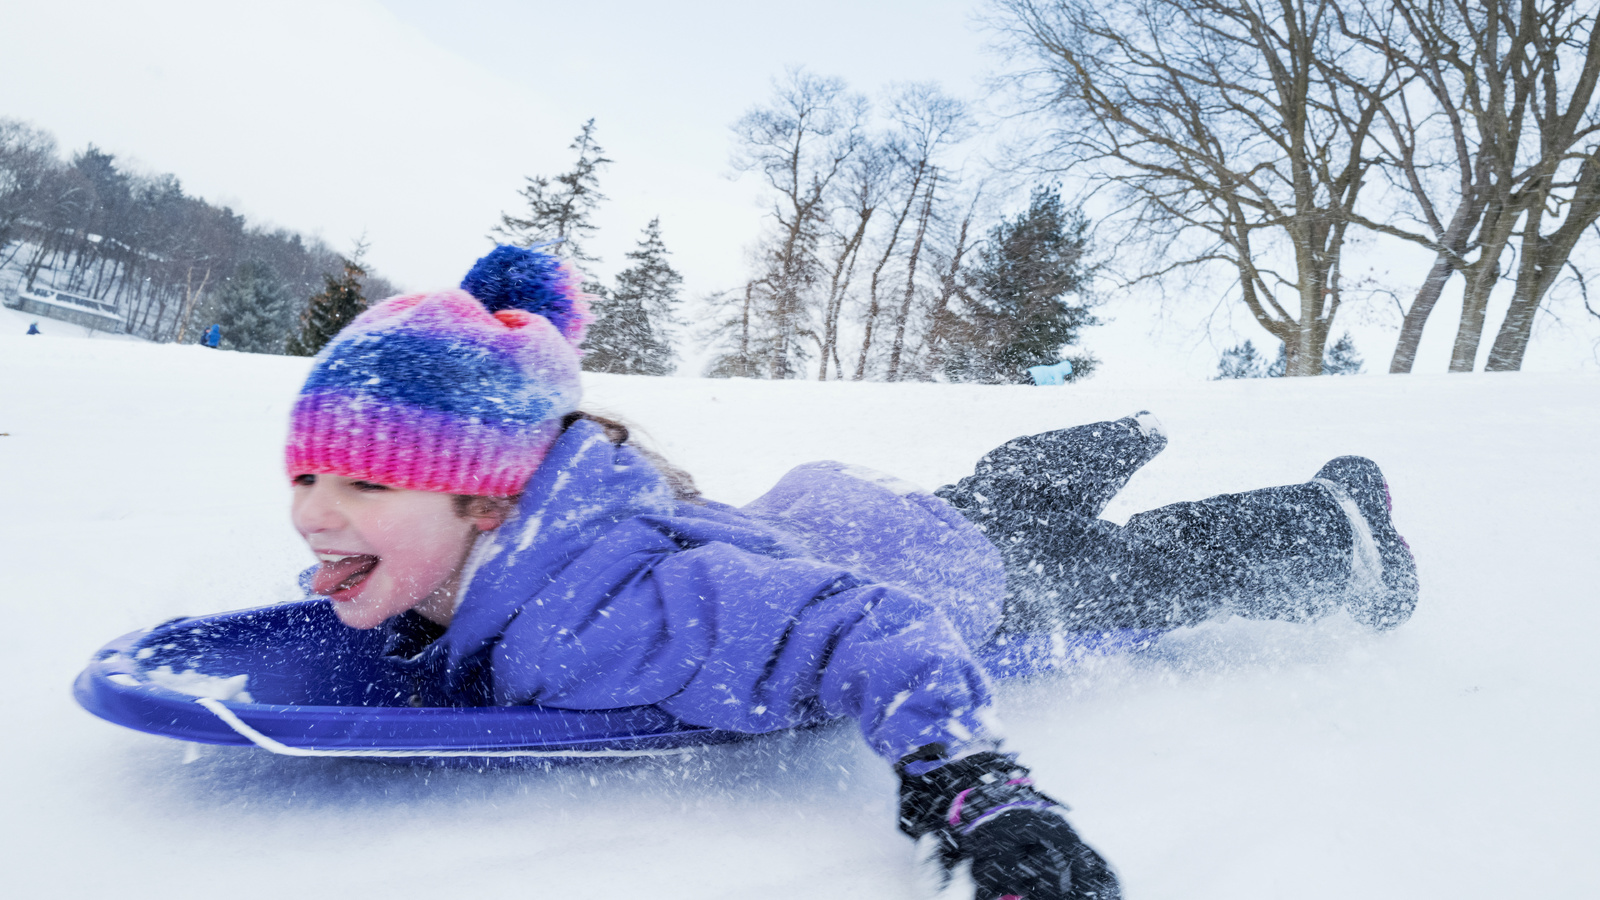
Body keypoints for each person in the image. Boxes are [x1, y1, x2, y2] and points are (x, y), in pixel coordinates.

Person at [286, 245, 1417, 900]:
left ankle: (1331, 523)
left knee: (1128, 576)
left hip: (946, 579)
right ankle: (1053, 467)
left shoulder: (627, 611)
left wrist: (972, 786)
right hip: (852, 519)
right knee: (986, 503)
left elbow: (871, 628)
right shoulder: (506, 551)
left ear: (489, 497)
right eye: (307, 479)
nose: (315, 516)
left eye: (365, 488)